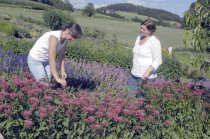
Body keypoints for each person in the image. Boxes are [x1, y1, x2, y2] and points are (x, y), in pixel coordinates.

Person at [127, 19, 162, 97]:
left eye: (143, 29)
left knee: (142, 100)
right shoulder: (139, 38)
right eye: (141, 28)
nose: (140, 30)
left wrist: (147, 73)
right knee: (130, 97)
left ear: (150, 31)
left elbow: (158, 60)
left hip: (146, 78)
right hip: (134, 75)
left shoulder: (154, 42)